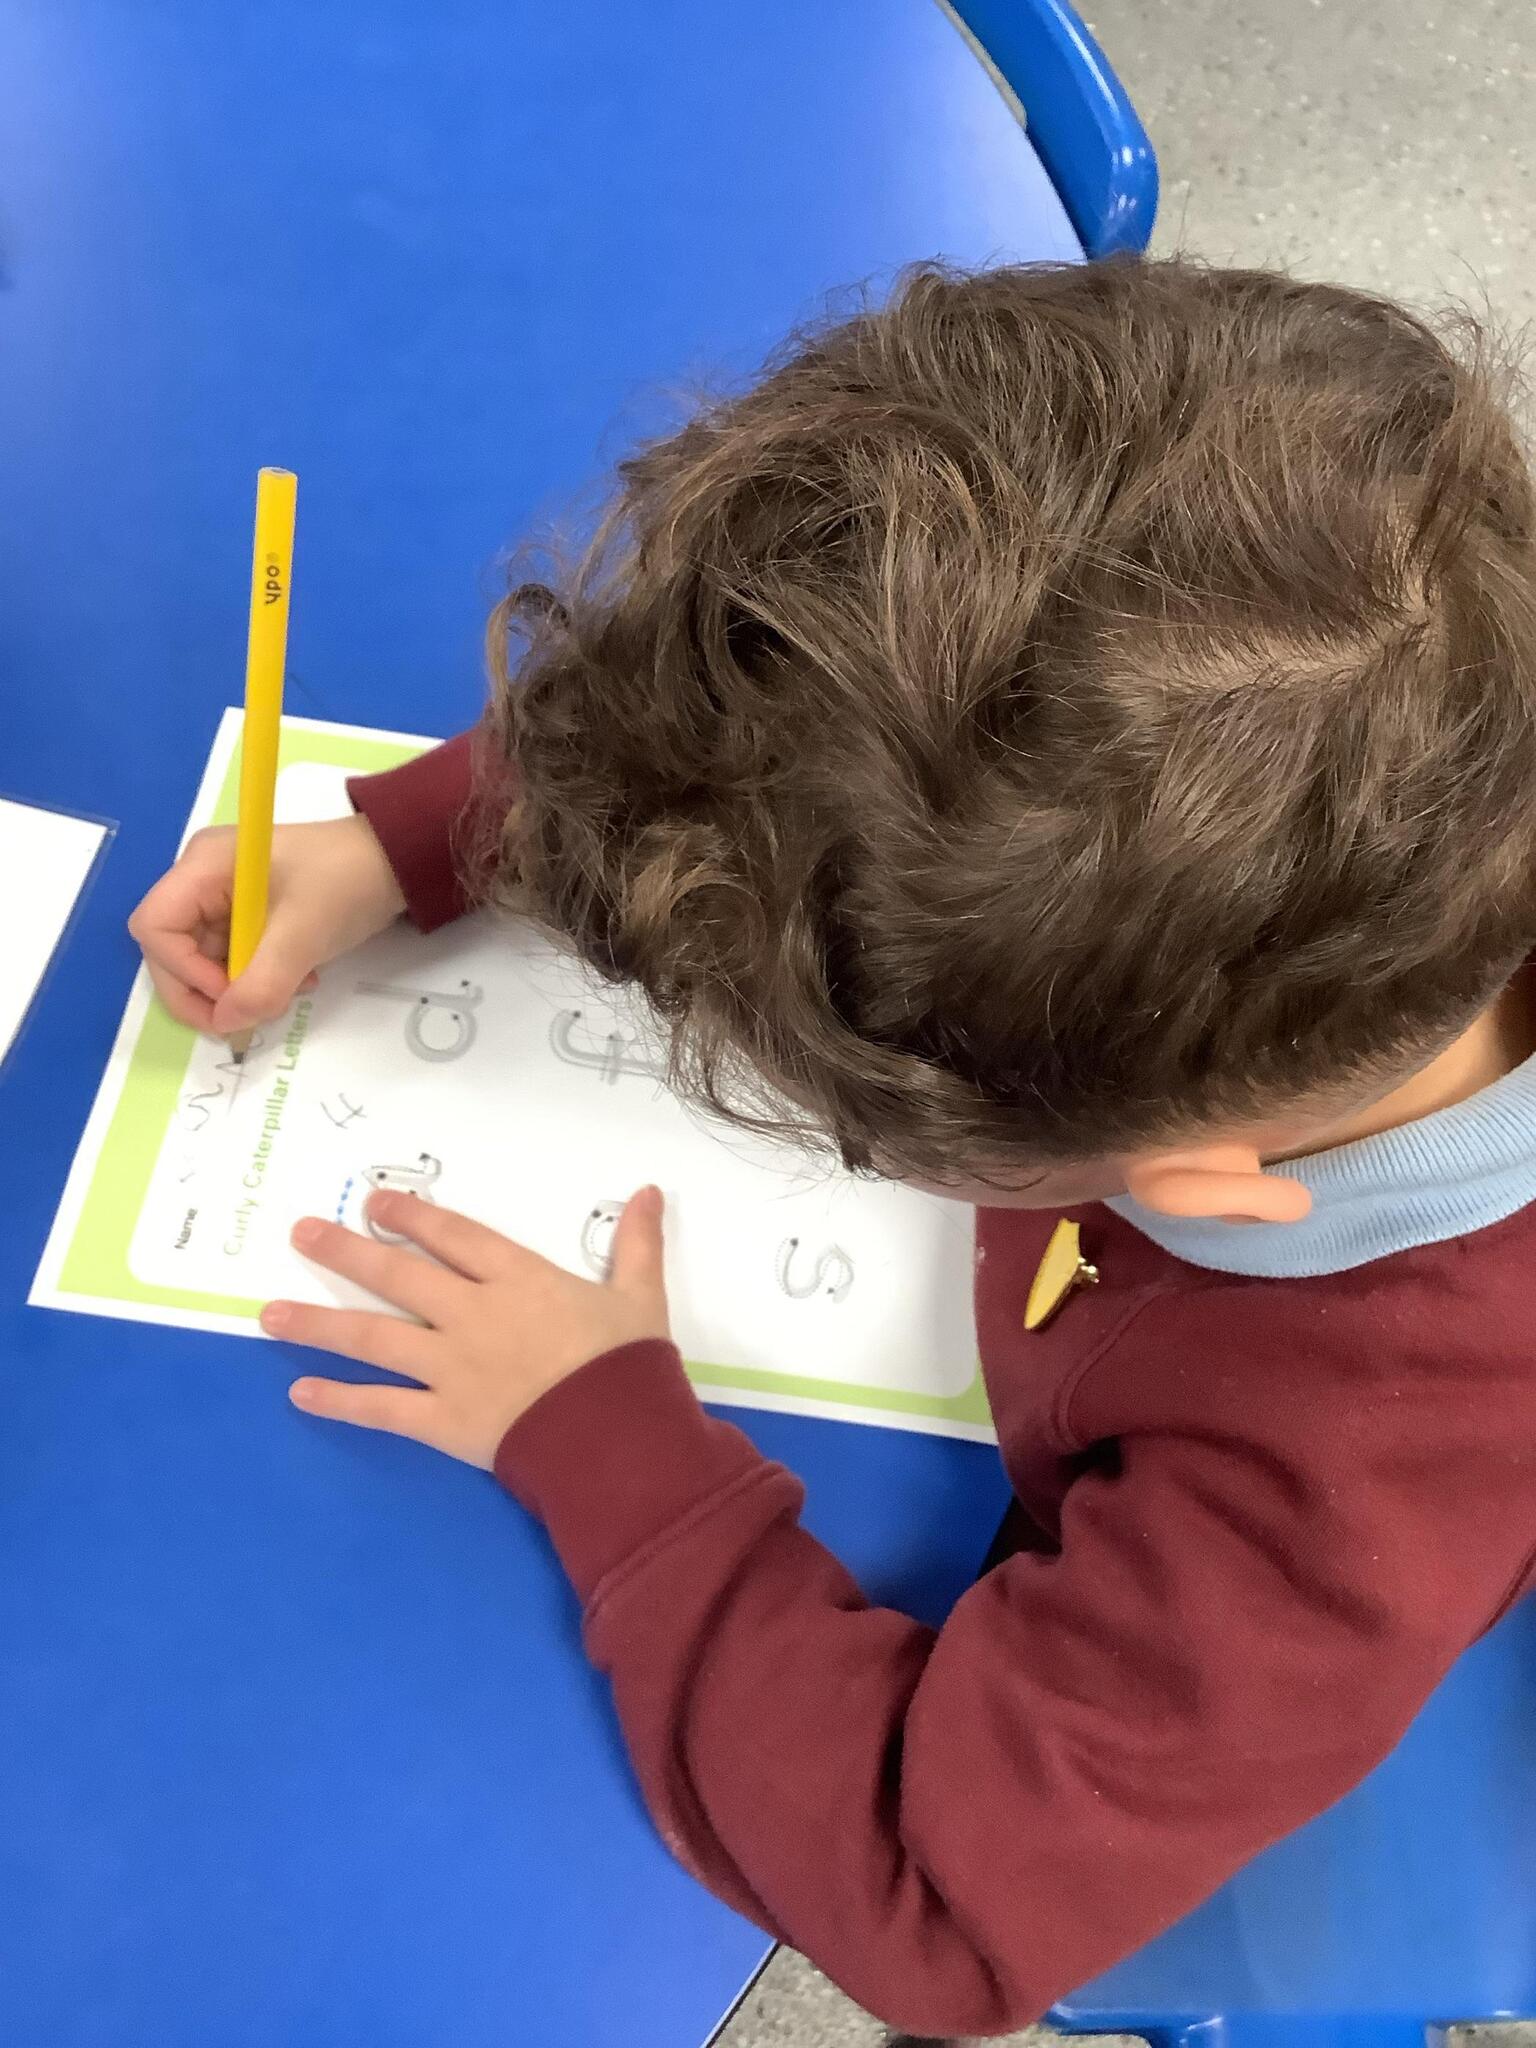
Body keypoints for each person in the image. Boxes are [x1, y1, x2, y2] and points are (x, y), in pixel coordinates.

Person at [128, 260, 1536, 2039]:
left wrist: (607, 1442)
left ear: (1183, 1181)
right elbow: (821, 757)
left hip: (1200, 1792)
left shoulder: (1352, 1468)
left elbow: (931, 1908)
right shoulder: (1453, 679)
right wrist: (410, 841)